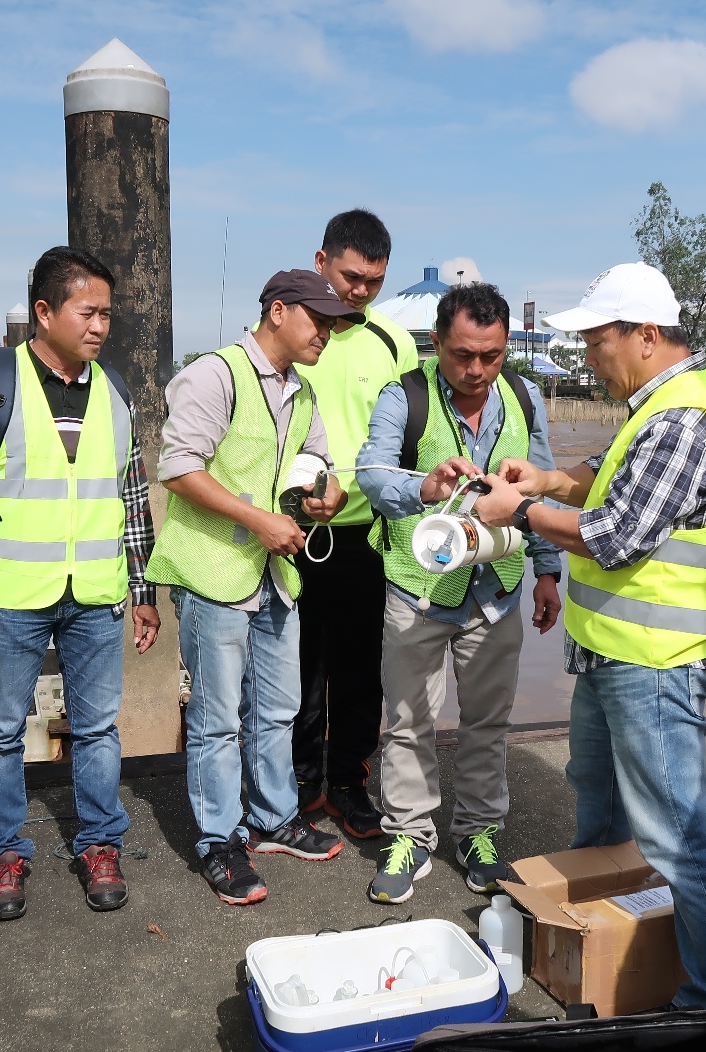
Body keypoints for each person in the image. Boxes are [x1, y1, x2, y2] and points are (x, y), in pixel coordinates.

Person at [471, 262, 706, 1010]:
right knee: (599, 802)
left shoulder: (688, 421)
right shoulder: (654, 409)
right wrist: (542, 481)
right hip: (612, 653)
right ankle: (596, 950)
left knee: (679, 836)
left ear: (646, 335)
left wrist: (517, 513)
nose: (590, 358)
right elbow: (604, 474)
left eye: (597, 342)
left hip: (657, 663)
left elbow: (614, 535)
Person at [0, 246, 159, 921]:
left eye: (106, 314)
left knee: (97, 728)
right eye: (87, 312)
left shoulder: (114, 391)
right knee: (3, 728)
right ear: (44, 311)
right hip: (11, 596)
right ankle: (3, 853)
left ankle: (100, 843)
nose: (100, 326)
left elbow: (131, 494)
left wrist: (143, 590)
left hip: (95, 593)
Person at [146, 270, 351, 904]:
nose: (326, 333)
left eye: (332, 324)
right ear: (278, 312)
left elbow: (319, 468)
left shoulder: (301, 391)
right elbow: (178, 468)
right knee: (216, 719)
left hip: (275, 575)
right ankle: (218, 840)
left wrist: (327, 498)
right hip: (215, 573)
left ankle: (273, 819)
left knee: (278, 708)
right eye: (318, 320)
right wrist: (258, 519)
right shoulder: (217, 375)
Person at [359, 282, 563, 904]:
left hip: (496, 589)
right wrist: (425, 487)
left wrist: (547, 572)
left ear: (506, 348)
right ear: (437, 342)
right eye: (463, 355)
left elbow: (543, 489)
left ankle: (478, 833)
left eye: (491, 356)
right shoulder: (404, 395)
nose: (476, 369)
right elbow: (371, 473)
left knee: (488, 721)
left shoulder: (524, 398)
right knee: (406, 720)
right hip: (416, 590)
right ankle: (408, 834)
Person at [291, 210, 419, 839]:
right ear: (321, 262)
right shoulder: (291, 331)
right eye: (350, 277)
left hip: (368, 535)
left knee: (362, 669)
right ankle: (298, 781)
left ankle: (347, 780)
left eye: (374, 281)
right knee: (296, 666)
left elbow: (408, 441)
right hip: (291, 532)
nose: (361, 291)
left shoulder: (394, 342)